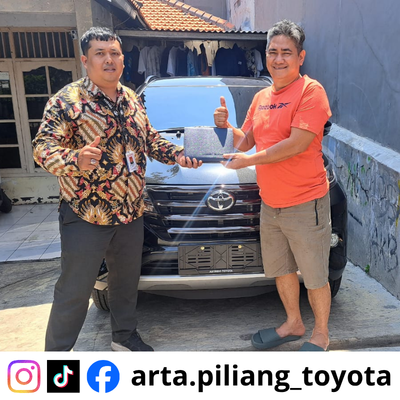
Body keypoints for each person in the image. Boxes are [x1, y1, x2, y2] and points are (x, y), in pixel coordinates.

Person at [33, 27, 201, 352]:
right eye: (100, 53)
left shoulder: (131, 98)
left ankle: (123, 337)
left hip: (130, 212)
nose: (108, 59)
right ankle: (57, 360)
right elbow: (42, 149)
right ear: (85, 60)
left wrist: (178, 154)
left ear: (123, 59)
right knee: (74, 290)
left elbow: (150, 139)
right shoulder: (67, 101)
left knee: (125, 283)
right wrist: (74, 158)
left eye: (114, 53)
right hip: (87, 213)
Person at [214, 20, 332, 351]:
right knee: (281, 269)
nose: (278, 59)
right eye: (273, 52)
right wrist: (226, 127)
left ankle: (321, 333)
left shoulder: (311, 92)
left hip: (305, 201)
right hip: (271, 203)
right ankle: (294, 323)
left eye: (286, 53)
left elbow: (296, 143)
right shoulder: (261, 97)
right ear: (265, 55)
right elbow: (246, 141)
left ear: (300, 57)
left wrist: (248, 161)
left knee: (314, 274)